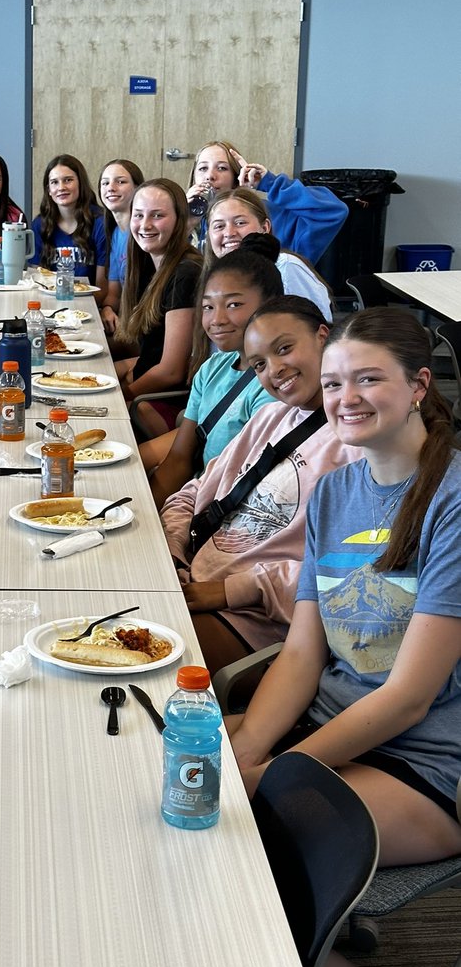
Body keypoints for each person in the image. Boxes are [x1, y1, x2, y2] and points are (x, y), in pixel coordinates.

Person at [227, 308, 461, 967]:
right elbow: (301, 654)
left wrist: (273, 775)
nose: (346, 397)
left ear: (419, 386)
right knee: (183, 766)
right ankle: (292, 954)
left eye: (369, 378)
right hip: (339, 728)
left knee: (231, 834)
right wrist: (247, 748)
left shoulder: (453, 501)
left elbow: (409, 698)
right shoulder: (335, 491)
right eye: (334, 382)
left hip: (430, 765)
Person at [161, 296, 362, 674]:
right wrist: (173, 552)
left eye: (284, 348)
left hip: (255, 618)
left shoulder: (359, 447)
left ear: (324, 336)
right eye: (259, 365)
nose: (275, 370)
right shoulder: (271, 416)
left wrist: (229, 591)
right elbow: (194, 491)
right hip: (192, 573)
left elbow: (346, 574)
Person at [142, 234, 284, 507]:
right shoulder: (211, 369)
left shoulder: (273, 386)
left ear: (271, 303)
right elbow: (180, 459)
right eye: (208, 306)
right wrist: (143, 512)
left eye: (233, 305)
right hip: (192, 497)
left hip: (224, 511)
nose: (217, 319)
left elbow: (244, 484)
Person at [114, 179, 202, 434]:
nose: (145, 225)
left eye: (157, 216)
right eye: (139, 215)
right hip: (152, 391)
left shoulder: (186, 272)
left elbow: (171, 371)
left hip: (167, 401)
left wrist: (123, 394)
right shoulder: (149, 264)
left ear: (180, 220)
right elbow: (151, 352)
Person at [187, 139, 348, 267]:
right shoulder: (183, 221)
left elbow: (333, 211)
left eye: (222, 168)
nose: (210, 176)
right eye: (203, 168)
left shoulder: (267, 213)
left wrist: (271, 183)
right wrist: (184, 223)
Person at [205, 187, 334, 320]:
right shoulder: (212, 276)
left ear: (265, 228)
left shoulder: (287, 267)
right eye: (219, 226)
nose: (229, 233)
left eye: (240, 223)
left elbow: (315, 329)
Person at [31, 154, 108, 293]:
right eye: (54, 182)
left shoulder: (100, 223)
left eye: (68, 180)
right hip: (50, 302)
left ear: (80, 183)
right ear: (48, 190)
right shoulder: (39, 224)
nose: (61, 187)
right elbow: (36, 278)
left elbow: (102, 287)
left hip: (90, 303)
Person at [97, 158, 144, 336]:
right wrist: (107, 309)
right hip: (126, 323)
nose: (111, 187)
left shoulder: (145, 235)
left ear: (138, 188)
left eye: (121, 181)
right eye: (105, 183)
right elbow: (114, 294)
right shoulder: (116, 232)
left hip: (143, 330)